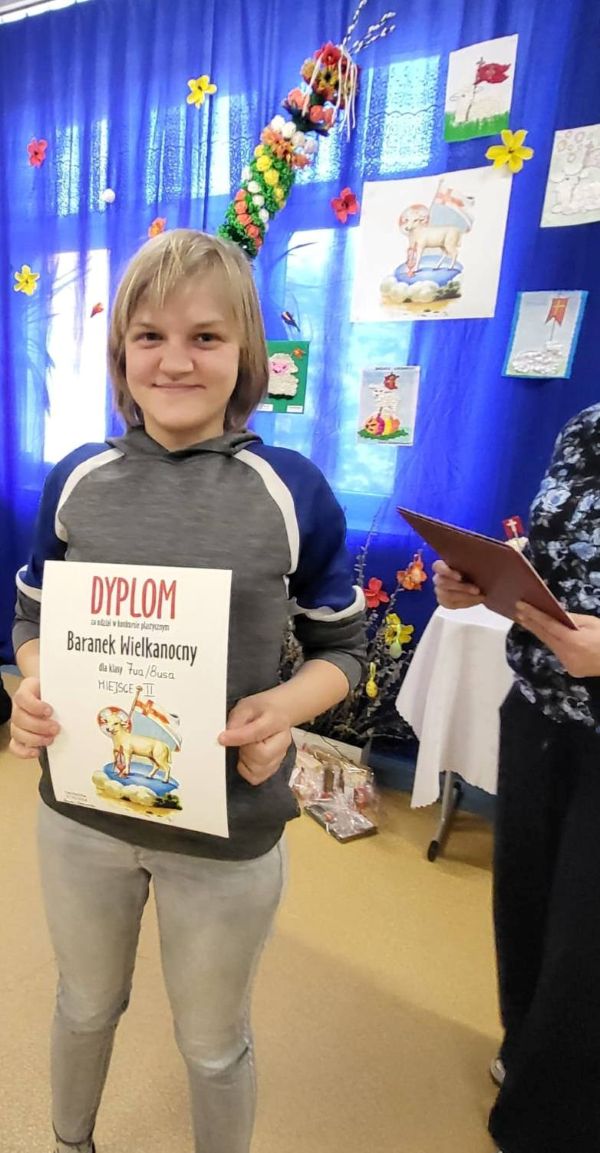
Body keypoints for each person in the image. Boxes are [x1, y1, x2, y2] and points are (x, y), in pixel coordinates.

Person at [9, 229, 366, 1153]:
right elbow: (31, 623)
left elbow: (343, 650)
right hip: (82, 817)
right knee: (85, 1004)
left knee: (211, 1045)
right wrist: (35, 684)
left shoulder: (290, 489)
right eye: (150, 337)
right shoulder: (77, 478)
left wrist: (281, 709)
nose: (175, 361)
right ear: (121, 353)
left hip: (227, 830)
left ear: (246, 351)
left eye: (206, 336)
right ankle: (69, 1141)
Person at [432, 403, 600, 1153]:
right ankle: (526, 1046)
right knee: (526, 905)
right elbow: (560, 551)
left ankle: (550, 1121)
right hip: (538, 707)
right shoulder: (587, 425)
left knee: (585, 941)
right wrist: (484, 580)